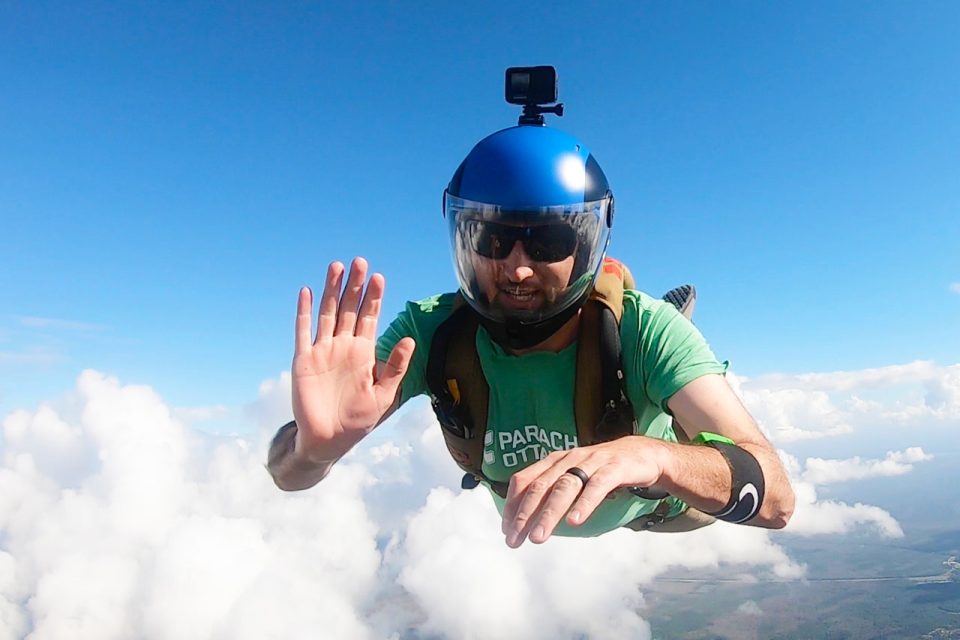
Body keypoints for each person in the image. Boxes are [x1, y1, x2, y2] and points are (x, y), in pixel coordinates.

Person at [267, 76, 794, 548]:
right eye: (492, 240)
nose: (518, 270)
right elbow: (286, 475)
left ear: (587, 246)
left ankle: (668, 408)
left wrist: (656, 458)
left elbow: (777, 498)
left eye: (549, 242)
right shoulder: (429, 335)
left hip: (657, 509)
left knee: (684, 450)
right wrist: (312, 450)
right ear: (464, 242)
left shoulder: (646, 330)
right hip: (557, 502)